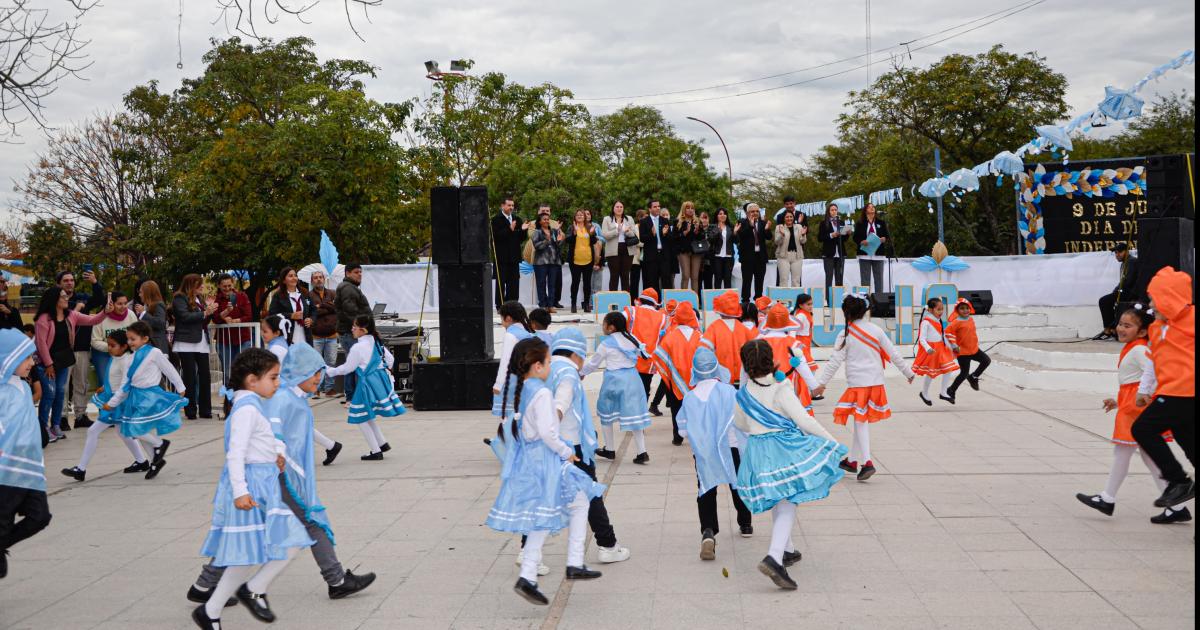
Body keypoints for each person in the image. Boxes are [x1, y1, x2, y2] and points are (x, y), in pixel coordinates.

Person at [188, 344, 374, 610]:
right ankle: (334, 580)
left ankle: (204, 585)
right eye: (314, 373)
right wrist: (273, 461)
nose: (318, 379)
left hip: (278, 475)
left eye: (321, 373)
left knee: (250, 531)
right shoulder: (280, 398)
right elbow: (260, 439)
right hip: (277, 477)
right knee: (309, 522)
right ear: (299, 372)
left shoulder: (291, 397)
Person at [192, 348, 313, 629]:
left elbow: (266, 438)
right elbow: (236, 453)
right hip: (253, 486)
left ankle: (213, 610)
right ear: (251, 380)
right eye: (273, 377)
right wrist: (240, 491)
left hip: (262, 483)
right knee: (290, 541)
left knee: (255, 551)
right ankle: (249, 590)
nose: (277, 383)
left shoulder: (252, 404)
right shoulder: (247, 409)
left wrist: (277, 452)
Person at [486, 337, 605, 606]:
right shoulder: (541, 392)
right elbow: (548, 433)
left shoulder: (524, 388)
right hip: (546, 459)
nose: (551, 366)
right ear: (537, 366)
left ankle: (531, 574)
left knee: (546, 515)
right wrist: (567, 452)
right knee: (580, 502)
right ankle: (571, 563)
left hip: (532, 459)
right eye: (548, 362)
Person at [734, 340, 847, 590]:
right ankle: (774, 556)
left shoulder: (742, 393)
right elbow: (804, 420)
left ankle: (787, 549)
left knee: (779, 497)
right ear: (769, 359)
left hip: (757, 450)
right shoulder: (780, 387)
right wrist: (833, 443)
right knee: (789, 501)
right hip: (782, 448)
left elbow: (740, 424)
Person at [1076, 304, 1190, 523]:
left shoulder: (1139, 349)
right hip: (1130, 406)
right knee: (1148, 459)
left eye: (1127, 326)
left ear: (1142, 332)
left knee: (1123, 453)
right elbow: (1133, 382)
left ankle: (1107, 498)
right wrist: (1118, 400)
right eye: (1120, 324)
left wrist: (1147, 396)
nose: (1120, 328)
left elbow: (1154, 371)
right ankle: (1177, 506)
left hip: (1136, 410)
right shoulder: (1133, 347)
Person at [548, 328, 631, 564]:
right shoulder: (567, 373)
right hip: (571, 448)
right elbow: (559, 407)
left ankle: (527, 552)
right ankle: (608, 545)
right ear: (575, 354)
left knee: (542, 497)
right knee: (591, 495)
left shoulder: (543, 368)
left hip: (548, 446)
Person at [813, 294, 915, 482]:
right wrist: (908, 372)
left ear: (845, 312)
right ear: (866, 310)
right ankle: (852, 461)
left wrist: (821, 384)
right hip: (876, 383)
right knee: (859, 420)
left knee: (860, 422)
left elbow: (834, 362)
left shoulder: (846, 333)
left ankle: (867, 462)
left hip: (858, 384)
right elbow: (892, 353)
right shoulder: (875, 329)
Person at [678, 347, 753, 559]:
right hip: (730, 448)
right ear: (716, 367)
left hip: (704, 452)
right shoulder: (730, 391)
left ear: (695, 369)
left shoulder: (690, 397)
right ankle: (745, 523)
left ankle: (708, 533)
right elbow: (741, 420)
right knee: (737, 484)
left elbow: (683, 430)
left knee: (706, 488)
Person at [1131, 267, 1195, 509]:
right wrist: (1144, 388)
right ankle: (1179, 483)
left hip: (1184, 392)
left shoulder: (1192, 318)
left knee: (1143, 428)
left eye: (1154, 298)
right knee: (1190, 446)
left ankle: (1178, 481)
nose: (1151, 304)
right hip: (1170, 392)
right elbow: (1153, 362)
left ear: (1169, 298)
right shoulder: (1156, 329)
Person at [60, 329, 150, 481]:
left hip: (117, 403)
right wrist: (105, 388)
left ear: (124, 347)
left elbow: (124, 385)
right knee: (122, 432)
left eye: (113, 345)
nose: (109, 348)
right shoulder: (116, 358)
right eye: (108, 344)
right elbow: (113, 378)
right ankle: (142, 461)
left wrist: (113, 402)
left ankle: (81, 469)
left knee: (93, 431)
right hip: (115, 401)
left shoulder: (125, 361)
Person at [102, 321, 185, 479]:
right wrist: (112, 402)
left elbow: (169, 369)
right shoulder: (129, 359)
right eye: (128, 339)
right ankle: (155, 460)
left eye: (133, 339)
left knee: (134, 428)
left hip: (150, 396)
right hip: (135, 397)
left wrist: (180, 387)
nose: (129, 343)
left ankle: (160, 444)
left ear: (145, 339)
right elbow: (125, 385)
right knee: (141, 430)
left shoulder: (154, 353)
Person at [0, 328, 48, 581]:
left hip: (29, 470)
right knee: (3, 523)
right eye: (27, 357)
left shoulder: (21, 387)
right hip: (5, 473)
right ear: (7, 357)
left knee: (40, 516)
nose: (32, 363)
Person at [34, 287, 111, 441]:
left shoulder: (71, 315)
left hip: (63, 361)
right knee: (50, 394)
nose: (66, 298)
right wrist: (48, 364)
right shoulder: (44, 319)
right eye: (63, 296)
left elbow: (92, 320)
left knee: (60, 393)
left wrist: (105, 312)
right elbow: (41, 344)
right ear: (55, 299)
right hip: (46, 363)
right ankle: (43, 428)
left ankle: (55, 425)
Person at [324, 315, 404, 460]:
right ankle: (381, 443)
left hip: (367, 383)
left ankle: (376, 450)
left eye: (355, 326)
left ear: (363, 330)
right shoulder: (376, 341)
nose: (352, 329)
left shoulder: (358, 347)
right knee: (366, 414)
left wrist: (330, 371)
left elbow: (348, 368)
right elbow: (390, 360)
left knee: (359, 415)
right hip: (380, 380)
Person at [582, 312, 652, 464]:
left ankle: (610, 449)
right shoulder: (632, 339)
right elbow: (643, 354)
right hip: (633, 379)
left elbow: (593, 364)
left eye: (604, 324)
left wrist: (581, 373)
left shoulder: (606, 344)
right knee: (635, 416)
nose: (603, 326)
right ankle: (642, 452)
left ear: (611, 328)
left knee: (606, 413)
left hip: (614, 381)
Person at [59, 269, 106, 431]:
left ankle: (80, 415)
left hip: (82, 347)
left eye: (71, 280)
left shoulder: (83, 298)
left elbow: (100, 300)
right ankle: (62, 417)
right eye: (66, 280)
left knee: (81, 383)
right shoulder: (56, 300)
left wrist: (94, 282)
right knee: (63, 385)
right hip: (62, 349)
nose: (69, 283)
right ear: (59, 283)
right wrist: (77, 310)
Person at [172, 274, 217, 420]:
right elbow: (184, 317)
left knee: (205, 375)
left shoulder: (200, 299)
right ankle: (190, 410)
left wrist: (209, 312)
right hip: (186, 341)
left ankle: (205, 410)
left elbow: (203, 320)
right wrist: (205, 313)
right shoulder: (179, 298)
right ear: (191, 285)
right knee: (190, 376)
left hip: (201, 340)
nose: (202, 287)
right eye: (199, 285)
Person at [490, 302, 535, 431]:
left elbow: (506, 362)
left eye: (501, 318)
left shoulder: (511, 335)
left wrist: (498, 384)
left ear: (508, 318)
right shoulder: (527, 333)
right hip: (526, 380)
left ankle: (508, 446)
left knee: (508, 420)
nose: (501, 322)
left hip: (511, 382)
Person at [701, 290, 758, 387]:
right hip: (742, 380)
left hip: (721, 381)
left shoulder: (713, 328)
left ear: (719, 310)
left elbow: (702, 354)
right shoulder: (744, 329)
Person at [335, 263, 372, 403]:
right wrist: (361, 328)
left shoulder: (351, 288)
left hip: (352, 332)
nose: (359, 274)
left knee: (353, 363)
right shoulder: (347, 289)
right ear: (347, 273)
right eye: (356, 272)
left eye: (361, 272)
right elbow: (351, 312)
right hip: (350, 333)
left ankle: (353, 396)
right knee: (354, 364)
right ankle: (352, 397)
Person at [622, 289, 666, 402]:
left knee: (628, 393)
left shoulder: (631, 311)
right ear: (655, 302)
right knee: (644, 392)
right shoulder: (662, 317)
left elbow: (617, 321)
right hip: (648, 362)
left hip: (630, 360)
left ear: (640, 299)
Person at [913, 298, 959, 406]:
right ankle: (924, 393)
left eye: (942, 309)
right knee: (931, 372)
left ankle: (943, 392)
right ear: (930, 310)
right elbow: (922, 339)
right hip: (931, 350)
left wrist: (951, 346)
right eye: (938, 309)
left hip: (941, 348)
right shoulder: (926, 322)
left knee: (948, 369)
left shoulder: (938, 321)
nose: (941, 312)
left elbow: (942, 335)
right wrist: (928, 348)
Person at [211, 274, 254, 391]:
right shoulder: (218, 299)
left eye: (229, 285)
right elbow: (215, 318)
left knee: (244, 369)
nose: (227, 288)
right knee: (227, 372)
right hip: (224, 340)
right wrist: (225, 317)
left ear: (233, 283)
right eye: (224, 286)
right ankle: (229, 399)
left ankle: (244, 394)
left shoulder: (241, 296)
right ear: (219, 286)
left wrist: (237, 320)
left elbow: (249, 315)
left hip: (242, 338)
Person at [944, 298, 991, 402]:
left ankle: (973, 376)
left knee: (986, 360)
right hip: (963, 352)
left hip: (974, 349)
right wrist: (954, 345)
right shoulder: (956, 322)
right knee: (964, 373)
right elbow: (947, 332)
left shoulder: (970, 319)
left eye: (967, 308)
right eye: (962, 309)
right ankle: (951, 390)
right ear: (957, 310)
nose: (965, 310)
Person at [89, 291, 137, 391]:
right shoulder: (101, 317)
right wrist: (113, 347)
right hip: (104, 353)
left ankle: (121, 405)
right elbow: (94, 341)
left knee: (126, 381)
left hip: (126, 353)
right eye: (119, 304)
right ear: (111, 304)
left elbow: (137, 335)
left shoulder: (131, 315)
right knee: (105, 382)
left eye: (125, 303)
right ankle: (104, 406)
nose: (123, 306)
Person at [1094, 242, 1140, 340]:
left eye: (1119, 252)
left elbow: (1129, 281)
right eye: (1115, 253)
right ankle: (1112, 329)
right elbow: (1123, 281)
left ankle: (1109, 329)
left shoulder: (1132, 262)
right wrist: (1116, 291)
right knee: (1107, 300)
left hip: (1130, 293)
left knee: (1104, 301)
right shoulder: (1124, 263)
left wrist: (1117, 291)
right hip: (1124, 291)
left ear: (1127, 251)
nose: (1117, 255)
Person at [491, 196, 527, 309]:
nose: (511, 207)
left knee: (514, 283)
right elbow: (495, 237)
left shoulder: (517, 219)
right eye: (509, 205)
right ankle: (500, 305)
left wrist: (523, 230)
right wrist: (509, 229)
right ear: (502, 206)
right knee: (501, 283)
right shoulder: (496, 219)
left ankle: (513, 305)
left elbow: (521, 239)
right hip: (501, 258)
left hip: (514, 257)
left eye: (512, 205)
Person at [308, 270, 339, 398]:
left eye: (320, 277)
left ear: (324, 279)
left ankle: (329, 388)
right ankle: (316, 388)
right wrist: (327, 307)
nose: (318, 279)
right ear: (312, 281)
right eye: (315, 278)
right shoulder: (308, 295)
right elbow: (311, 312)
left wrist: (320, 305)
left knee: (331, 362)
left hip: (332, 334)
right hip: (316, 334)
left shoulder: (333, 293)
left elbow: (336, 308)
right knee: (316, 363)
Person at [267, 267, 315, 346]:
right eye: (290, 276)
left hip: (306, 337)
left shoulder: (305, 293)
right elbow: (272, 315)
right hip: (288, 337)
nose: (294, 278)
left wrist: (311, 319)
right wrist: (290, 315)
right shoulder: (278, 296)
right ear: (284, 280)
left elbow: (313, 310)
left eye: (295, 275)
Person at [566, 209, 600, 313]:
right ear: (575, 217)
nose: (580, 216)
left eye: (582, 215)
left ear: (585, 217)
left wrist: (592, 234)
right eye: (578, 215)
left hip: (588, 260)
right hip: (575, 260)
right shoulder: (571, 227)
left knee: (587, 284)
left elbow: (594, 241)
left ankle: (586, 305)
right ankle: (573, 304)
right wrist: (575, 233)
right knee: (575, 283)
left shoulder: (589, 227)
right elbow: (567, 240)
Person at [735, 203, 770, 302]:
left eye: (757, 211)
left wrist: (767, 229)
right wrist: (750, 225)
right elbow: (741, 236)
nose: (755, 213)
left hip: (760, 257)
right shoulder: (742, 222)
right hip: (747, 257)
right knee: (747, 280)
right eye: (752, 211)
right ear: (747, 213)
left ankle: (758, 300)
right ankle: (745, 301)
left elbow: (769, 237)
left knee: (759, 280)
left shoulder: (763, 223)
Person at [638, 199, 674, 295]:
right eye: (655, 206)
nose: (658, 208)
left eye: (659, 206)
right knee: (652, 282)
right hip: (651, 256)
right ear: (650, 209)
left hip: (664, 255)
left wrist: (665, 234)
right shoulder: (644, 221)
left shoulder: (665, 220)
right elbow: (642, 238)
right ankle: (653, 305)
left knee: (666, 281)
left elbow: (671, 238)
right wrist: (651, 234)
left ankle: (667, 304)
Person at [530, 213, 564, 312]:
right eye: (544, 219)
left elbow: (557, 246)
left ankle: (550, 305)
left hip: (553, 261)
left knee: (552, 284)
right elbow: (537, 246)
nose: (546, 221)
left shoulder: (553, 231)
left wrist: (559, 241)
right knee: (541, 284)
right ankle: (543, 305)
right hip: (541, 263)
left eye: (547, 219)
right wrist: (547, 240)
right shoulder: (537, 232)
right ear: (540, 221)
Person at [817, 203, 850, 304]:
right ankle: (829, 300)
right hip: (828, 254)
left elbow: (843, 239)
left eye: (835, 210)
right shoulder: (824, 223)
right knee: (829, 277)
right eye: (832, 210)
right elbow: (820, 238)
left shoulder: (841, 222)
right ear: (828, 211)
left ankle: (839, 300)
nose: (834, 211)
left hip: (840, 253)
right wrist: (832, 234)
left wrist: (847, 234)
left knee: (839, 277)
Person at [602, 201, 638, 293]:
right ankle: (613, 301)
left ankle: (626, 301)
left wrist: (627, 231)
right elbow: (605, 235)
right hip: (612, 250)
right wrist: (617, 231)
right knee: (614, 276)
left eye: (621, 207)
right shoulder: (607, 219)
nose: (619, 209)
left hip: (627, 249)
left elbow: (634, 233)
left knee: (625, 276)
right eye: (617, 207)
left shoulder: (629, 218)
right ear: (613, 208)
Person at [853, 203, 889, 293]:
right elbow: (855, 237)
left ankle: (879, 300)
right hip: (865, 253)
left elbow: (886, 235)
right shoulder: (860, 223)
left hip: (878, 253)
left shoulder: (881, 222)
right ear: (865, 211)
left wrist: (884, 239)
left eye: (873, 207)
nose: (872, 208)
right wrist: (861, 241)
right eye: (869, 207)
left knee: (879, 278)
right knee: (865, 279)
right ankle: (866, 300)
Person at [134, 281, 171, 355]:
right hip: (149, 346)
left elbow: (160, 323)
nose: (139, 295)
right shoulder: (147, 306)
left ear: (147, 293)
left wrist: (143, 313)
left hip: (157, 345)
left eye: (141, 292)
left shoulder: (158, 305)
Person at [675, 201, 704, 294]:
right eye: (688, 208)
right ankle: (684, 300)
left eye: (692, 208)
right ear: (684, 209)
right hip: (683, 251)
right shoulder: (678, 221)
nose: (690, 210)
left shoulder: (697, 221)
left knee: (695, 277)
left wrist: (697, 231)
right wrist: (684, 233)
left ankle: (694, 302)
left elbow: (702, 237)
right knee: (686, 276)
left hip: (696, 251)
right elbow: (674, 237)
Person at [774, 210, 806, 287]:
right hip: (783, 256)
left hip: (797, 256)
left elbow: (803, 241)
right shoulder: (779, 227)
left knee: (796, 280)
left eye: (791, 216)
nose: (789, 218)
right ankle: (784, 299)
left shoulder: (799, 227)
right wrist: (782, 234)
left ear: (793, 217)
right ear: (784, 218)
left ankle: (795, 299)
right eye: (787, 217)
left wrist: (803, 234)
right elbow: (777, 242)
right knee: (784, 280)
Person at [709, 208, 736, 289]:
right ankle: (717, 299)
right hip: (717, 256)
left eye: (724, 213)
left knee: (727, 279)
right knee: (718, 278)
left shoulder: (731, 226)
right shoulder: (712, 226)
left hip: (728, 256)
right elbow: (710, 240)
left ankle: (727, 299)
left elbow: (737, 241)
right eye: (720, 214)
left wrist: (735, 233)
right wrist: (718, 230)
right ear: (717, 216)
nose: (722, 215)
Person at [628, 209, 647, 299]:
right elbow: (637, 241)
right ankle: (633, 300)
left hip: (646, 258)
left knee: (646, 281)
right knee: (634, 281)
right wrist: (648, 244)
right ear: (639, 218)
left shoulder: (648, 227)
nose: (646, 218)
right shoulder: (635, 227)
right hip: (636, 258)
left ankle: (645, 299)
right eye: (644, 217)